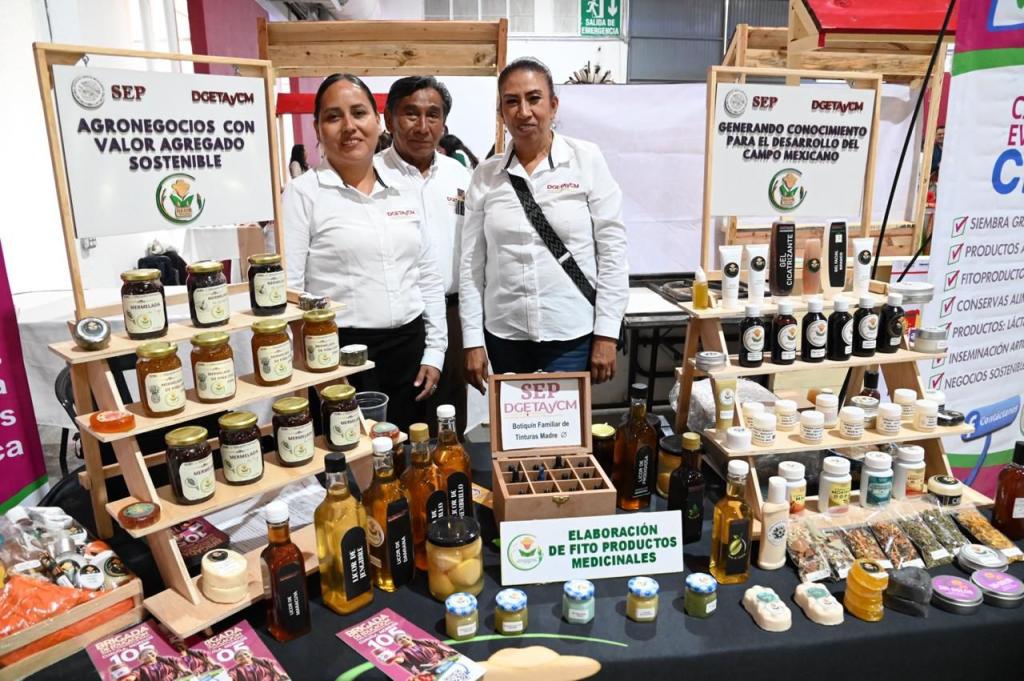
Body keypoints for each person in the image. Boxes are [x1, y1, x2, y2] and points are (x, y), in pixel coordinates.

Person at [283, 74, 447, 432]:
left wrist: (435, 351)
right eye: (333, 116)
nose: (349, 126)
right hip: (339, 356)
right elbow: (289, 292)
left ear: (377, 120)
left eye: (359, 113)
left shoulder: (403, 188)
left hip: (410, 352)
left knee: (408, 453)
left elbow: (427, 276)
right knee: (349, 455)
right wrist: (313, 371)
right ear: (317, 127)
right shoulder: (303, 193)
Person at [459, 57, 628, 392]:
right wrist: (472, 340)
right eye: (511, 101)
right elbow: (471, 265)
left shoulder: (585, 160)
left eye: (534, 98)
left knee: (565, 426)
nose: (524, 111)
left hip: (571, 336)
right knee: (513, 426)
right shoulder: (486, 176)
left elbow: (613, 250)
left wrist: (607, 333)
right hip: (505, 336)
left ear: (553, 105)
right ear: (501, 112)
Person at [377, 76, 471, 434]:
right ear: (389, 120)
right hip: (400, 320)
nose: (422, 126)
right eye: (410, 114)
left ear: (444, 123)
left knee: (449, 420)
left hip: (452, 314)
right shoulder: (373, 175)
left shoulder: (460, 176)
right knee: (398, 423)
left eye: (433, 115)